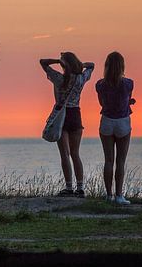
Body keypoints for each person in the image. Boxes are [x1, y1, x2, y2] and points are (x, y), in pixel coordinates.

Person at [39, 51, 94, 197]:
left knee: (65, 154)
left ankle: (69, 187)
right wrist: (80, 65)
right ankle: (80, 188)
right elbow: (92, 66)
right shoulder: (81, 79)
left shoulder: (59, 79)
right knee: (75, 154)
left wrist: (58, 61)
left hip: (61, 117)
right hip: (75, 115)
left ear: (64, 64)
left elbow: (42, 61)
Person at [96, 51, 136, 205]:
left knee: (108, 161)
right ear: (122, 66)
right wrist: (129, 102)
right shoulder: (129, 83)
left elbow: (102, 103)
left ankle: (108, 195)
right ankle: (119, 196)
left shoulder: (100, 84)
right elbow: (124, 100)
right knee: (120, 161)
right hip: (123, 122)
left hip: (107, 121)